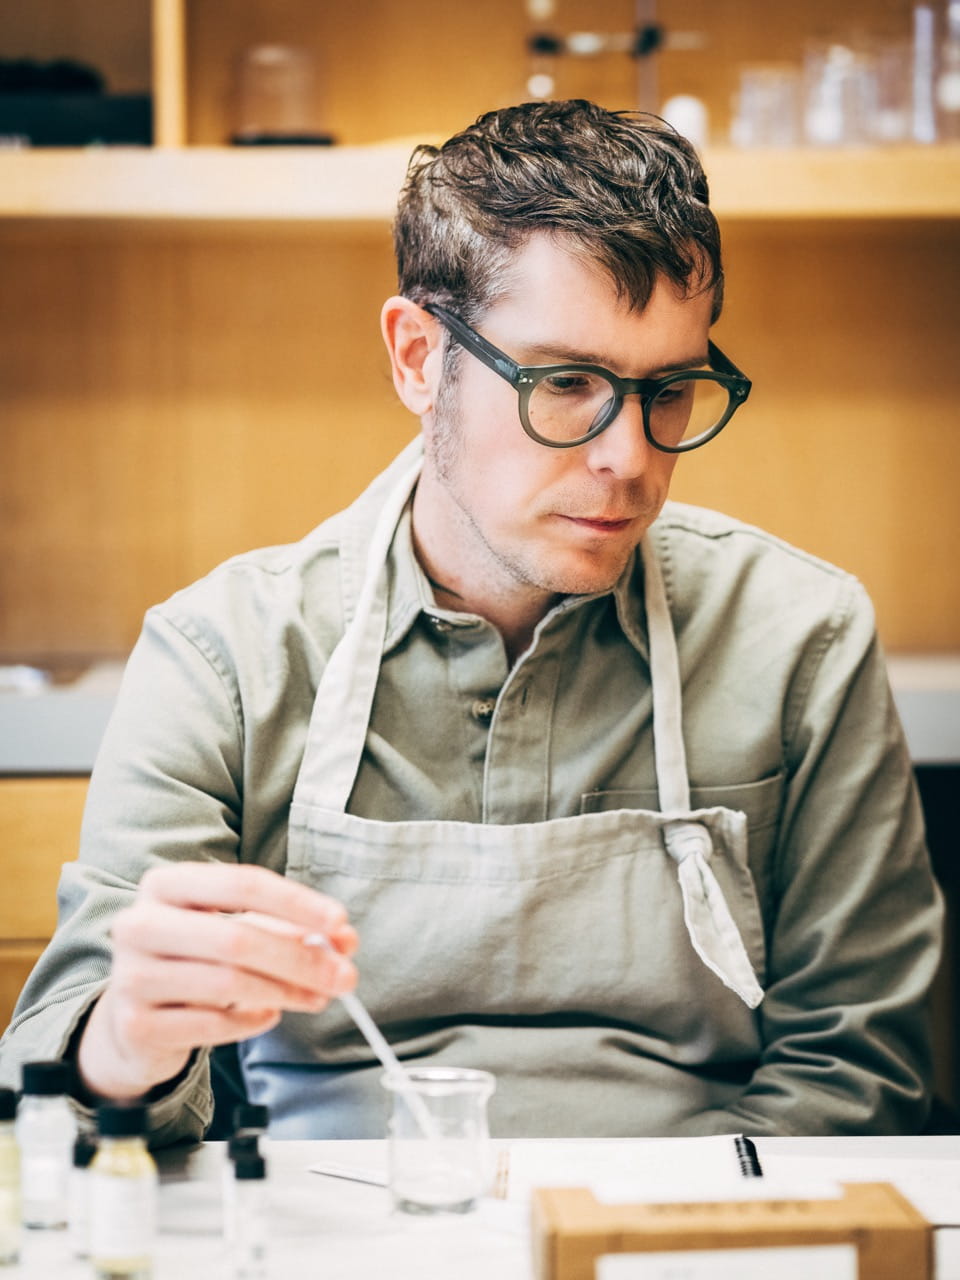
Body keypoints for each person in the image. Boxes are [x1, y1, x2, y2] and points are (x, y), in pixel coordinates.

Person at [0, 99, 943, 1144]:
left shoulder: (801, 639)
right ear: (417, 357)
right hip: (337, 1229)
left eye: (669, 388)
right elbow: (62, 1076)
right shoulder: (224, 656)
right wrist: (127, 1042)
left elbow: (862, 1070)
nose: (628, 458)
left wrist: (665, 1241)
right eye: (565, 382)